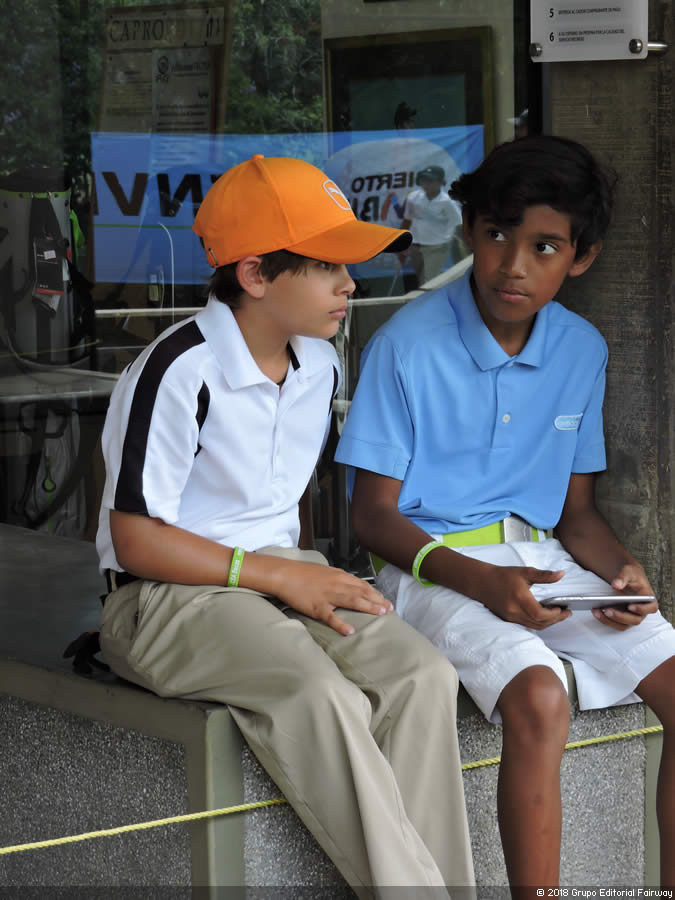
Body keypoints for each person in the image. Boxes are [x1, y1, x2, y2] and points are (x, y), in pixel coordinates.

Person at [95, 154, 475, 898]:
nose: (349, 285)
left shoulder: (318, 364)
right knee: (318, 694)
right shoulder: (180, 368)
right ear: (255, 274)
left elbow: (278, 507)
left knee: (421, 674)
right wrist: (274, 576)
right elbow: (135, 539)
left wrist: (291, 576)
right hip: (163, 597)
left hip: (278, 576)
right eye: (328, 265)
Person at [335, 135, 675, 890]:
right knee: (540, 697)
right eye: (496, 235)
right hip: (429, 566)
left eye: (544, 246)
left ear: (580, 257)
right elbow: (373, 519)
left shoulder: (581, 349)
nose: (513, 264)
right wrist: (484, 583)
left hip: (546, 564)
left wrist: (622, 571)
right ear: (468, 231)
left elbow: (575, 515)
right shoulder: (405, 346)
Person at [401, 165, 464, 285]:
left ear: (440, 182)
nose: (426, 183)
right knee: (421, 276)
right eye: (424, 180)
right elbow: (407, 220)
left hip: (437, 247)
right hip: (415, 245)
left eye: (430, 180)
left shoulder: (448, 203)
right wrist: (401, 245)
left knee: (427, 279)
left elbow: (458, 224)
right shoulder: (413, 198)